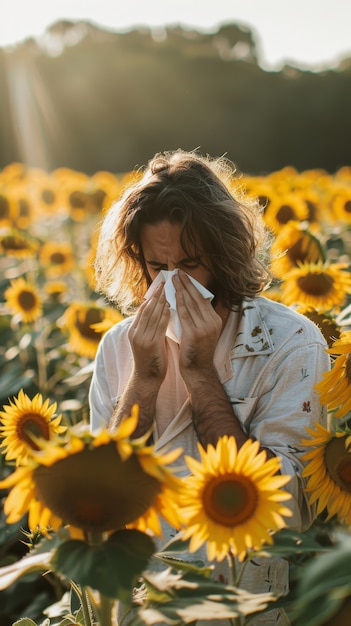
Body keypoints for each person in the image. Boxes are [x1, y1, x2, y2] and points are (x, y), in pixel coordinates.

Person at [89, 149, 330, 625]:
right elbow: (101, 500)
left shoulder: (290, 343)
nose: (175, 286)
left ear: (225, 255)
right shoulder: (120, 346)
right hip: (140, 601)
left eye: (192, 265)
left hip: (243, 606)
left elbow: (288, 506)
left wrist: (200, 373)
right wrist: (144, 378)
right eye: (159, 269)